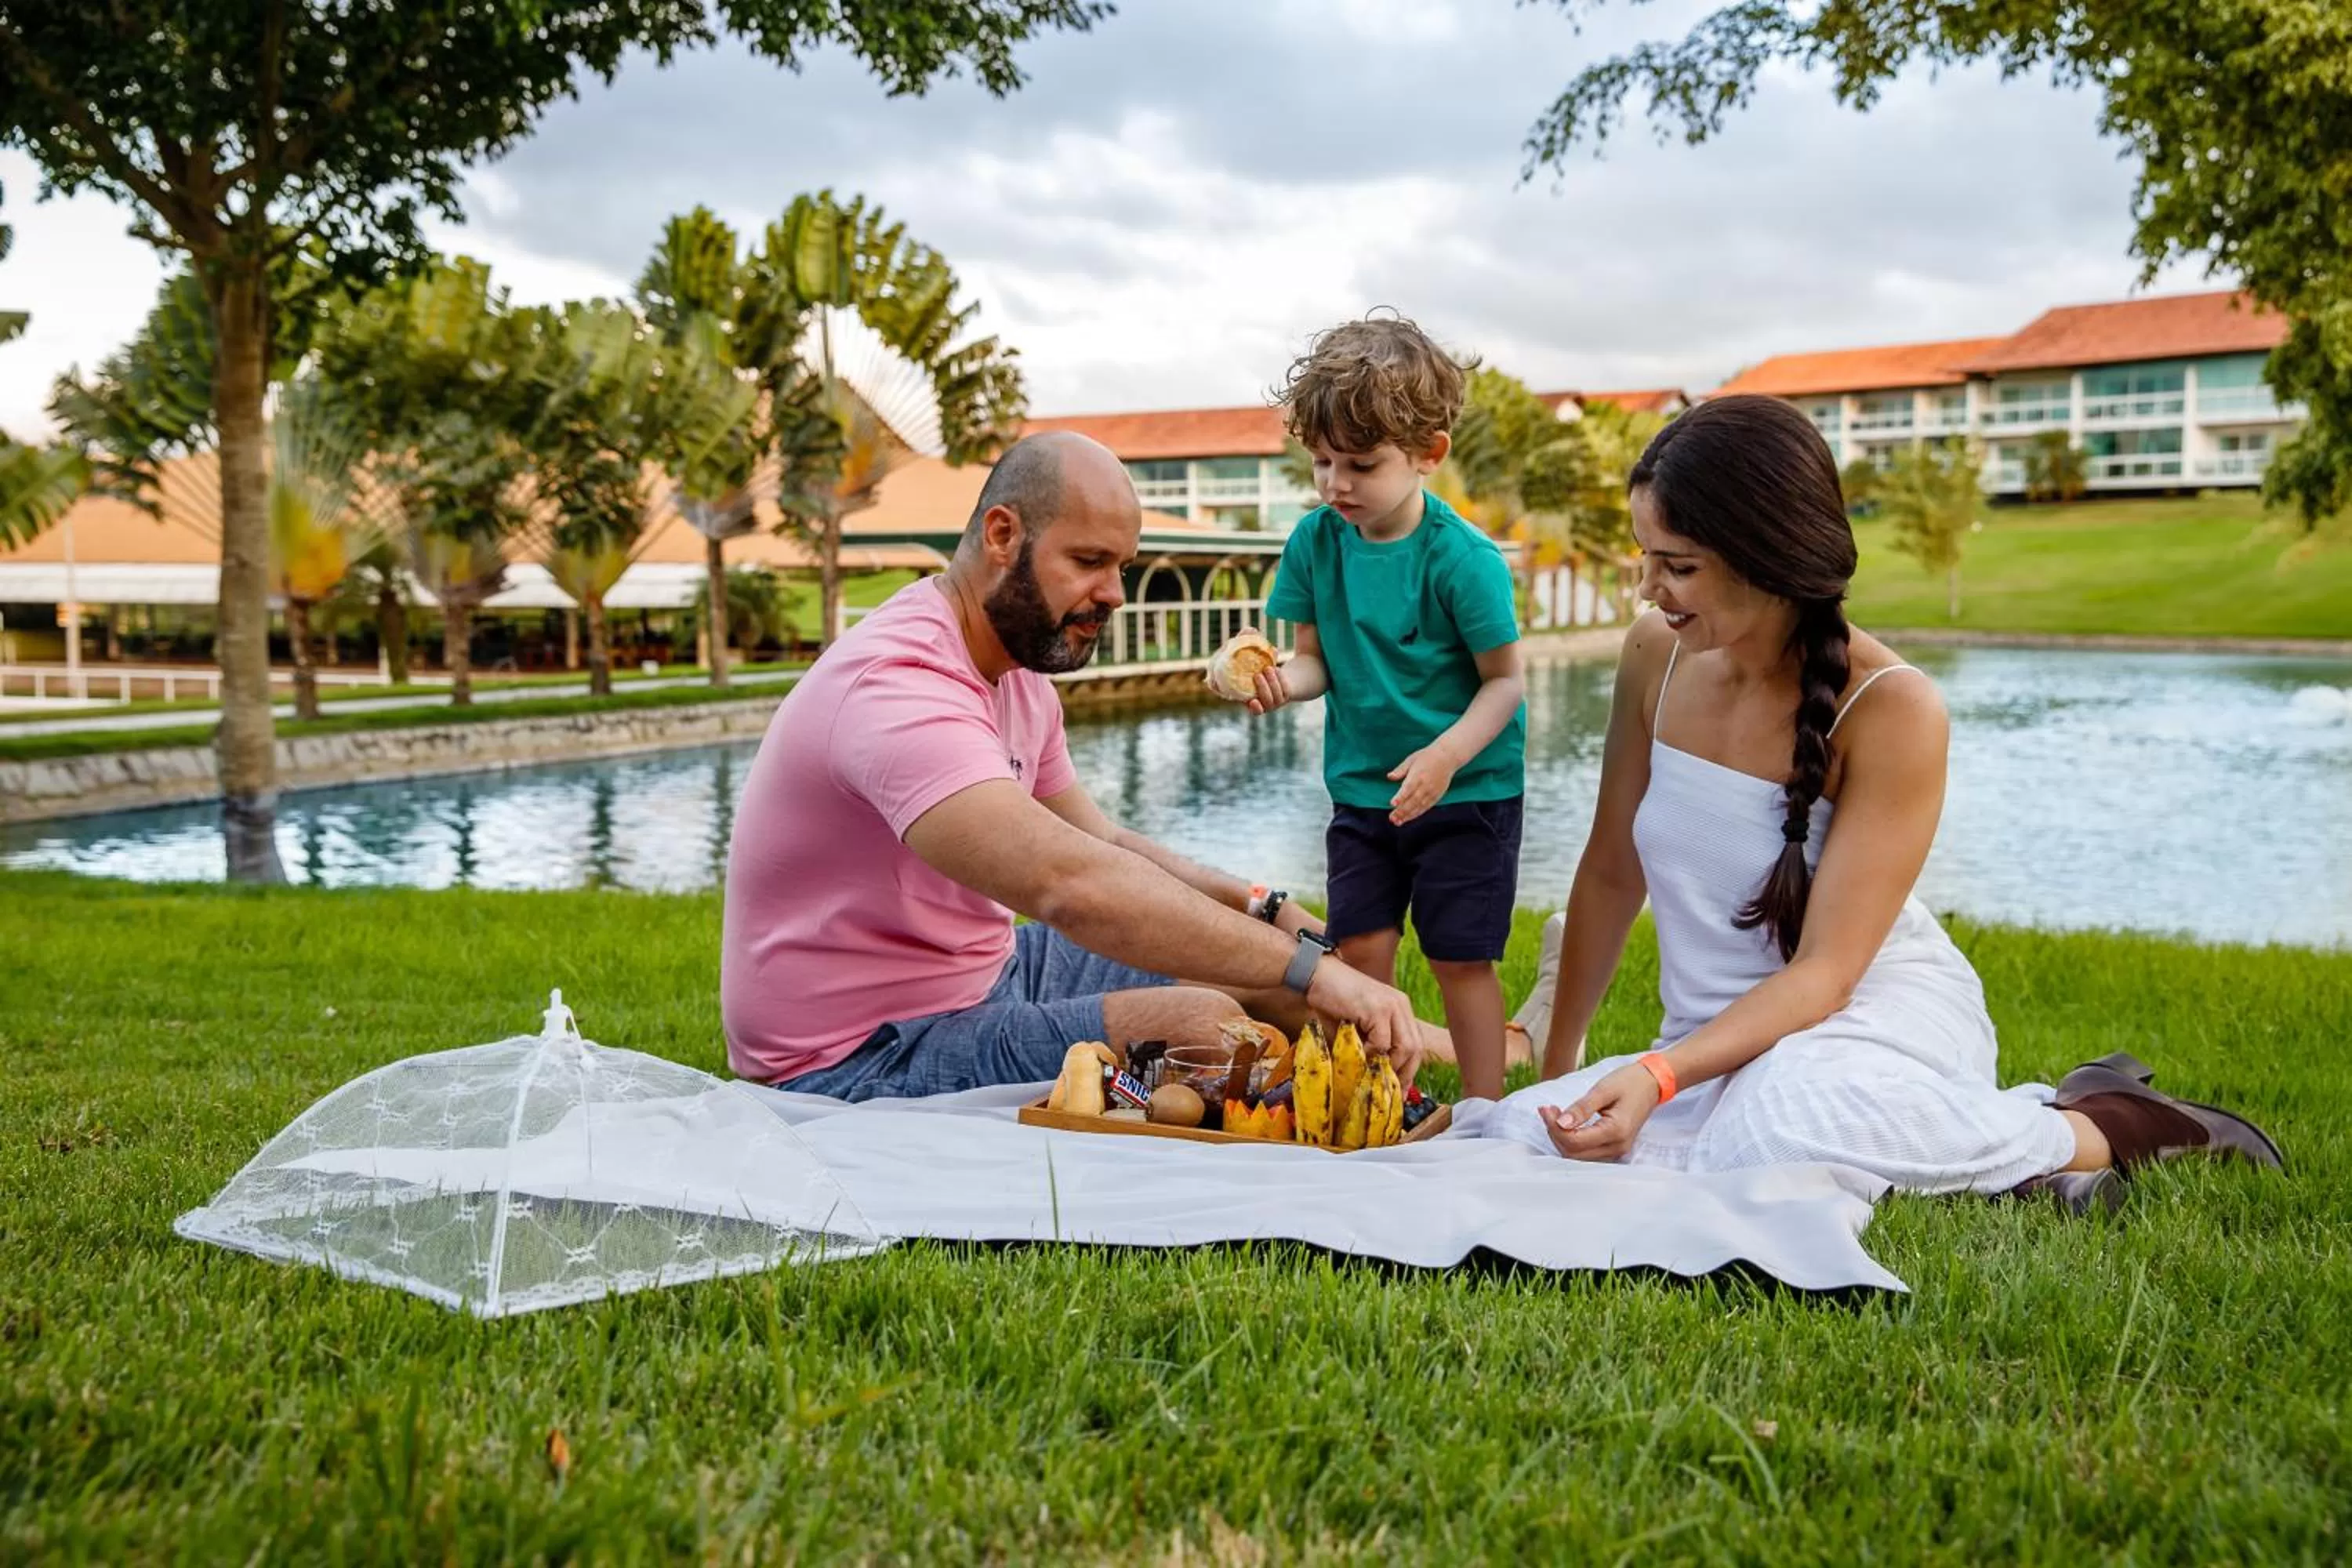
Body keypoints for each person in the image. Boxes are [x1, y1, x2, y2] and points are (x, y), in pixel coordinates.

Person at [1474, 395, 2282, 1211]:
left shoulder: (1895, 708)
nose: (1648, 589)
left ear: (1768, 557)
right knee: (1518, 1132)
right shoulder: (1656, 654)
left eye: (1677, 565)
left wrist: (1656, 1073)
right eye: (1644, 556)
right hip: (1711, 1039)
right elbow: (1612, 869)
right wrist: (1560, 1070)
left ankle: (2099, 1124)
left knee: (1778, 1127)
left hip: (1865, 1014)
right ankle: (2010, 1178)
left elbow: (1827, 972)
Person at [720, 430, 1436, 1101]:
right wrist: (1307, 963)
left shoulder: (1016, 668)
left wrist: (1269, 910)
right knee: (1207, 1028)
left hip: (987, 974)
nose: (1116, 595)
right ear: (1003, 535)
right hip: (853, 1058)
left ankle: (1492, 1052)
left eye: (1121, 567)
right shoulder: (900, 686)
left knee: (1280, 976)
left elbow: (1107, 845)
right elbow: (1071, 885)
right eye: (1090, 562)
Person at [1241, 314, 1527, 1101]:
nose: (1336, 483)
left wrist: (1445, 755)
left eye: (1361, 465)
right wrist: (1276, 683)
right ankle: (1366, 1099)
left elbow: (1505, 682)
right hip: (1365, 791)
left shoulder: (1464, 561)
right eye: (1322, 461)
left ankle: (1482, 1109)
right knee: (1359, 950)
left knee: (1459, 956)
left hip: (1468, 789)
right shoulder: (1315, 542)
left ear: (1427, 453)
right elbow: (1314, 663)